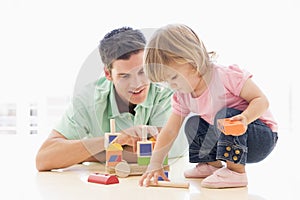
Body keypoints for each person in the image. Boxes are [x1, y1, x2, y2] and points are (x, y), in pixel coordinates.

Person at [139, 24, 278, 189]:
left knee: (225, 115)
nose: (172, 86)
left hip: (259, 137)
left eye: (174, 77)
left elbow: (261, 100)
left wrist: (245, 118)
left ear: (193, 62)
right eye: (167, 82)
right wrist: (155, 162)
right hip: (227, 141)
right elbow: (170, 131)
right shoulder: (182, 95)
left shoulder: (225, 76)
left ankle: (236, 173)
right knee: (193, 123)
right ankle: (211, 165)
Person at [35, 27, 184, 171]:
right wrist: (115, 140)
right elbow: (44, 158)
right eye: (124, 76)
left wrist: (84, 154)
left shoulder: (166, 91)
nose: (137, 84)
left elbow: (163, 150)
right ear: (108, 74)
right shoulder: (88, 100)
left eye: (142, 71)